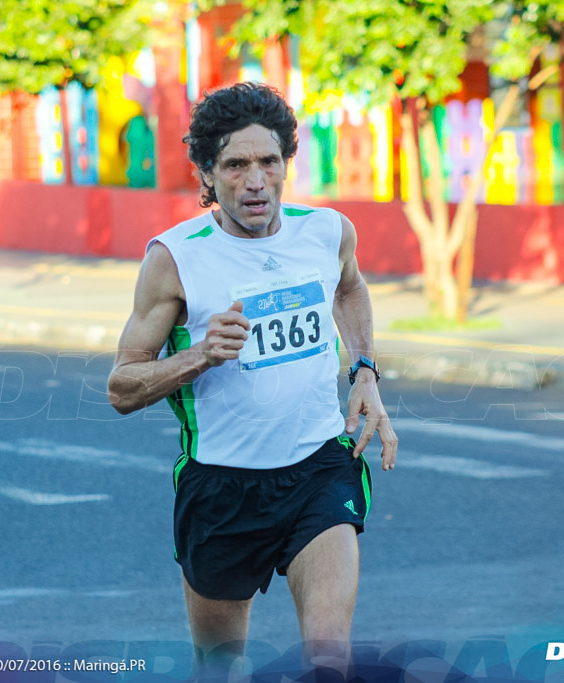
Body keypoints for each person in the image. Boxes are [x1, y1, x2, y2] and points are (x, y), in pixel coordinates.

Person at [107, 82, 398, 679]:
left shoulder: (326, 231)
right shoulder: (175, 257)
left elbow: (348, 286)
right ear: (207, 176)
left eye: (269, 161)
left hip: (318, 468)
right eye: (235, 165)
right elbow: (122, 387)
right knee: (219, 666)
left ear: (286, 162)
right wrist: (200, 355)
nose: (256, 180)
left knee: (328, 658)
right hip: (221, 487)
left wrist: (364, 369)